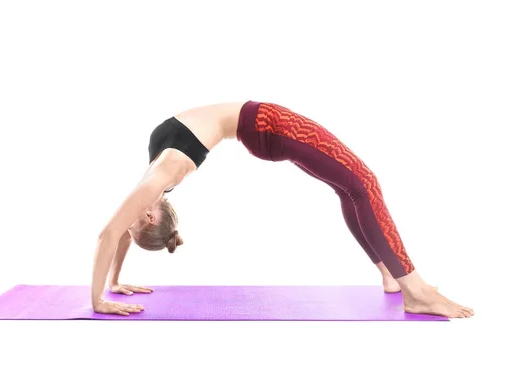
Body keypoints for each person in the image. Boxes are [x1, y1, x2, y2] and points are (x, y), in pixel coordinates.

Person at [90, 100, 474, 318]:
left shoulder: (154, 184)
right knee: (365, 184)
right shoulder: (159, 179)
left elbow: (122, 231)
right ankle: (415, 289)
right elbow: (110, 233)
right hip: (267, 125)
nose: (128, 220)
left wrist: (113, 281)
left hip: (262, 129)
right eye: (134, 224)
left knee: (349, 189)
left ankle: (391, 277)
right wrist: (98, 301)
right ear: (152, 216)